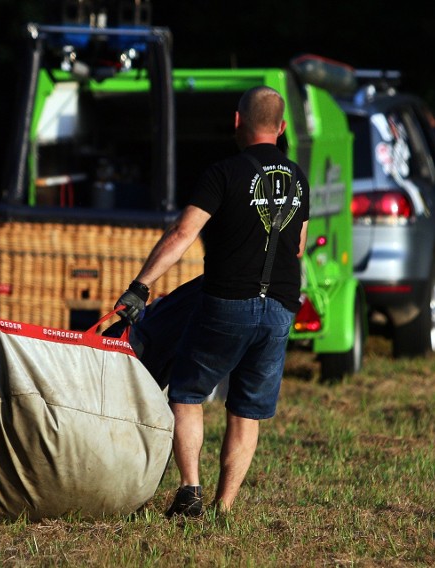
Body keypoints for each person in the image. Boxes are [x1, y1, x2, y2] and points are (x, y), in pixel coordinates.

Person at [115, 86, 309, 518]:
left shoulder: (222, 173)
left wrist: (141, 286)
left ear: (237, 122)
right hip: (279, 306)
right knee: (247, 409)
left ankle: (190, 490)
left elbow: (182, 235)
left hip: (227, 302)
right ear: (281, 129)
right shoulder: (298, 178)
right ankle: (224, 508)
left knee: (187, 392)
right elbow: (296, 246)